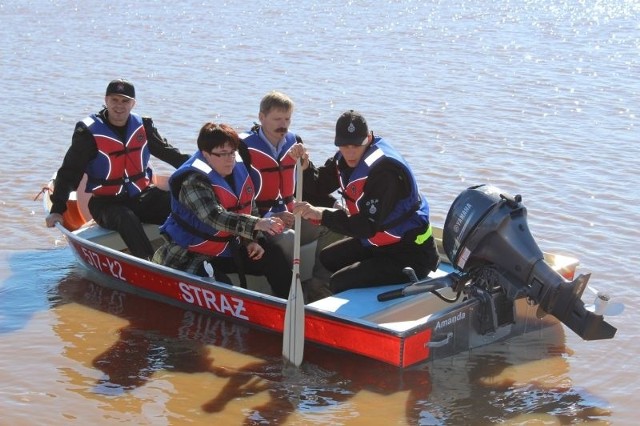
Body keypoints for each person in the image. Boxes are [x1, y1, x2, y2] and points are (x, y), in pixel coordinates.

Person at [294, 110, 440, 299]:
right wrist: (306, 166)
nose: (350, 151)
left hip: (409, 253)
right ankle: (321, 299)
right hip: (378, 243)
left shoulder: (385, 172)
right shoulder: (343, 159)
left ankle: (341, 313)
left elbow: (366, 226)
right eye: (344, 145)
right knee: (327, 258)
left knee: (339, 281)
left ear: (369, 138)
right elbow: (320, 184)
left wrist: (322, 215)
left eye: (356, 145)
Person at [45, 79, 189, 259]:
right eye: (114, 100)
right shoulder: (88, 133)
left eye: (125, 101)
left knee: (181, 205)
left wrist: (205, 169)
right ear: (106, 100)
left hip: (142, 196)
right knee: (126, 217)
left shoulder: (143, 126)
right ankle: (151, 263)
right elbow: (69, 172)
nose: (119, 106)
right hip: (106, 204)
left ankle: (191, 256)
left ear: (133, 104)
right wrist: (57, 209)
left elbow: (170, 154)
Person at [152, 122, 292, 298]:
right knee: (222, 288)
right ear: (205, 154)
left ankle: (291, 306)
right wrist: (258, 223)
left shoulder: (236, 168)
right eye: (222, 154)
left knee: (273, 257)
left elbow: (250, 207)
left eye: (232, 152)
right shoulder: (193, 181)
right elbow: (214, 217)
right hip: (194, 254)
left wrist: (251, 241)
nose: (230, 159)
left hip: (228, 248)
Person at [238, 91, 344, 289]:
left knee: (335, 221)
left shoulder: (295, 143)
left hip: (291, 212)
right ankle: (288, 289)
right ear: (262, 117)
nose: (283, 124)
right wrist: (273, 215)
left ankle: (319, 286)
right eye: (277, 118)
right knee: (288, 238)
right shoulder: (243, 146)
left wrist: (330, 201)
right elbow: (238, 193)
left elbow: (309, 183)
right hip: (261, 221)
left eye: (287, 119)